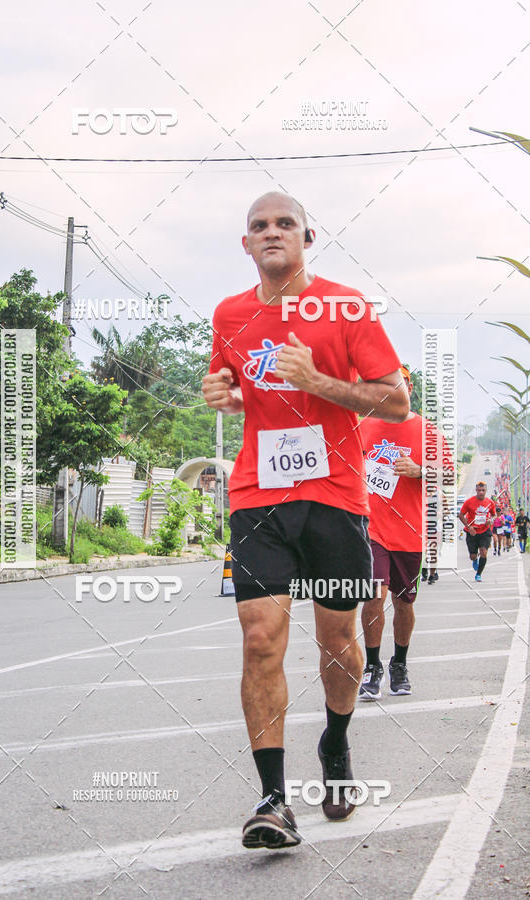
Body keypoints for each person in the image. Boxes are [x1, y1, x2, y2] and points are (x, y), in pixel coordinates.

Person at [202, 191, 408, 848]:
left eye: (283, 224)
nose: (271, 233)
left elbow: (396, 401)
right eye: (258, 226)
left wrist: (320, 382)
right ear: (246, 245)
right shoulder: (230, 314)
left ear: (307, 237)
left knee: (337, 639)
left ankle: (337, 744)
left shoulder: (345, 307)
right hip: (259, 494)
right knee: (260, 638)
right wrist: (223, 395)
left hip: (338, 496)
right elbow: (238, 389)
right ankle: (272, 799)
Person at [358, 366, 453, 699]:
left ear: (408, 387)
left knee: (403, 603)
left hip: (409, 532)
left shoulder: (428, 432)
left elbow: (449, 476)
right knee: (372, 594)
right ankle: (372, 667)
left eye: (395, 383)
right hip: (370, 529)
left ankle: (399, 663)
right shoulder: (363, 425)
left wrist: (419, 471)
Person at [458, 482, 496, 582]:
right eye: (479, 490)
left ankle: (478, 574)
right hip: (472, 532)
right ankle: (475, 559)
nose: (481, 492)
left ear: (486, 491)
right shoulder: (469, 502)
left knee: (483, 551)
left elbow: (494, 515)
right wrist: (468, 526)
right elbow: (461, 515)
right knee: (473, 556)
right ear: (476, 490)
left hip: (484, 532)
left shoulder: (490, 502)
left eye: (483, 490)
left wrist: (490, 521)